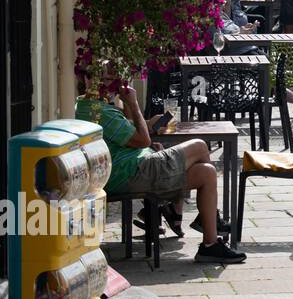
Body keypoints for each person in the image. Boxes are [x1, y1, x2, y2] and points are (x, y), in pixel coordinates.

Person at [76, 86, 245, 263]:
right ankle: (193, 214)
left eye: (112, 80)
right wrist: (133, 104)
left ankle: (209, 245)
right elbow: (142, 139)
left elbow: (128, 133)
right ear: (88, 79)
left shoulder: (90, 106)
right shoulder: (100, 110)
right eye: (105, 80)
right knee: (200, 146)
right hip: (131, 172)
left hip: (133, 169)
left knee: (207, 172)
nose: (111, 86)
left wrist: (148, 126)